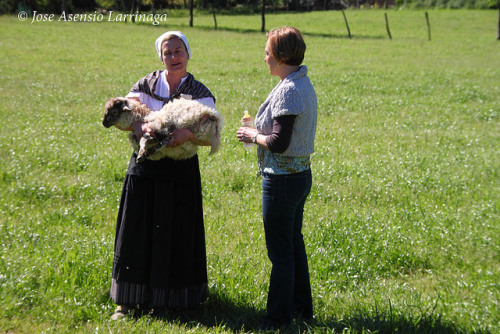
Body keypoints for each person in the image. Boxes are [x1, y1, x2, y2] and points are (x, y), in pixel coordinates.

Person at [110, 31, 216, 320]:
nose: (174, 57)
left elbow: (211, 134)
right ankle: (128, 302)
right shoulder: (144, 85)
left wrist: (188, 134)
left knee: (178, 234)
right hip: (144, 167)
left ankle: (177, 302)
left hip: (180, 173)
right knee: (137, 233)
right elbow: (123, 117)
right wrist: (137, 128)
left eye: (179, 51)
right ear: (161, 57)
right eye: (168, 52)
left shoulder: (199, 90)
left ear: (188, 53)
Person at [236, 26, 317, 329]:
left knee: (280, 252)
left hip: (282, 182)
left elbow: (278, 143)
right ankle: (300, 309)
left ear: (281, 56)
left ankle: (277, 318)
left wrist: (252, 134)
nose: (265, 57)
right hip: (299, 177)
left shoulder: (289, 90)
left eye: (268, 51)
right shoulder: (300, 81)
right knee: (293, 244)